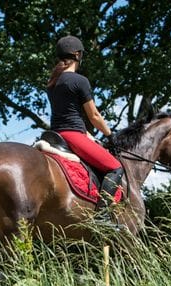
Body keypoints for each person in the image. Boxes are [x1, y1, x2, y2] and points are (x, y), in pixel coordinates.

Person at [46, 35, 123, 212]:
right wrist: (110, 135)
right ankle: (102, 217)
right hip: (72, 135)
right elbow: (94, 116)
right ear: (78, 54)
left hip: (55, 135)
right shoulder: (79, 81)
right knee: (116, 168)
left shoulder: (52, 83)